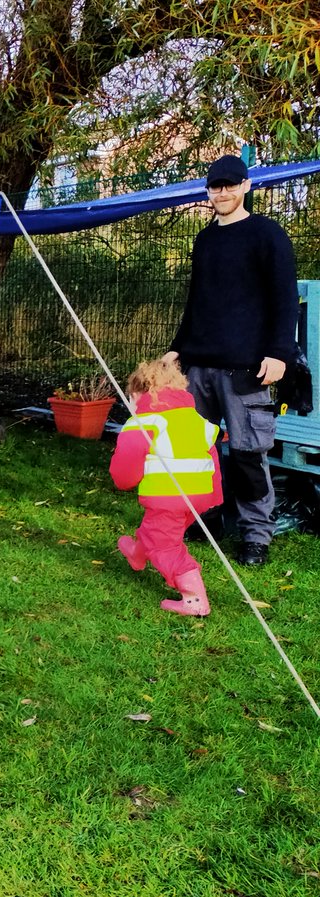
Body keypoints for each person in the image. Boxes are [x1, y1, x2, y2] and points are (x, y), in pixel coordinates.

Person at [162, 153, 299, 567]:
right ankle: (205, 519)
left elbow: (285, 299)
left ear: (246, 187)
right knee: (197, 452)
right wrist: (177, 347)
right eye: (215, 186)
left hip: (247, 369)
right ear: (208, 191)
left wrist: (280, 353)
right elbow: (196, 301)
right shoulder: (204, 239)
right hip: (199, 366)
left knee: (246, 454)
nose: (221, 192)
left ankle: (256, 535)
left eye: (229, 185)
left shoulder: (266, 234)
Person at [110, 359, 223, 617]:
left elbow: (126, 463)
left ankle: (194, 599)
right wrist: (214, 495)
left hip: (167, 497)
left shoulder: (144, 422)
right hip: (199, 497)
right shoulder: (197, 421)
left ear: (138, 393)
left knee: (164, 544)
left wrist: (123, 482)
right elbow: (213, 457)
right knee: (158, 530)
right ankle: (138, 554)